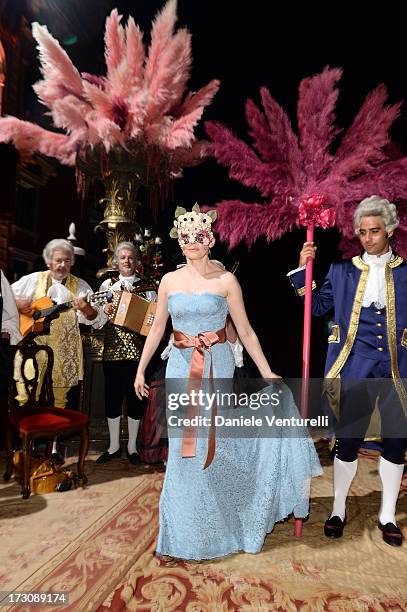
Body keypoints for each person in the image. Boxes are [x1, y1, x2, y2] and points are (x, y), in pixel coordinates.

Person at [134, 204, 321, 560]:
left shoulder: (226, 281)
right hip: (179, 367)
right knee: (181, 451)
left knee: (210, 446)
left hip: (216, 368)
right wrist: (141, 369)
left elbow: (246, 332)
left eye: (199, 237)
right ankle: (182, 535)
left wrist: (266, 371)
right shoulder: (169, 281)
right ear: (179, 240)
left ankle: (226, 520)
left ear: (210, 239)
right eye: (186, 238)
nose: (192, 243)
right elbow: (157, 327)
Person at [289, 195, 407, 547]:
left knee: (396, 444)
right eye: (363, 231)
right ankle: (337, 508)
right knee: (347, 443)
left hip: (397, 372)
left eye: (375, 230)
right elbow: (316, 306)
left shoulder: (405, 273)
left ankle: (387, 514)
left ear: (389, 229)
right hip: (353, 367)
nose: (369, 237)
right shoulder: (342, 271)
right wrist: (302, 269)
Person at [12, 239, 102, 459]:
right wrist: (19, 304)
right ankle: (26, 446)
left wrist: (87, 307)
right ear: (49, 261)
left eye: (67, 261)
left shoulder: (81, 287)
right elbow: (8, 299)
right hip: (32, 347)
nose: (63, 265)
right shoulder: (33, 280)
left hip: (65, 349)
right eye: (58, 260)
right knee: (26, 395)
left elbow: (94, 318)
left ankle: (54, 449)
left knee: (59, 399)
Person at [96, 241, 156, 465]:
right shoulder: (106, 286)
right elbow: (97, 322)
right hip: (111, 351)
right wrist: (105, 310)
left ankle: (132, 447)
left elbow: (155, 320)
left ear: (137, 261)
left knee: (135, 400)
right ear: (116, 261)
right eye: (122, 257)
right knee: (112, 398)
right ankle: (113, 447)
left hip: (139, 354)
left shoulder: (148, 288)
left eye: (130, 257)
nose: (127, 261)